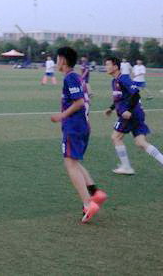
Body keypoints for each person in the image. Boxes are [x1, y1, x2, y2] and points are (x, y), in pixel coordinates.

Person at [50, 46, 106, 224]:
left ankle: (88, 203)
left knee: (70, 164)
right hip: (82, 126)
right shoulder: (77, 77)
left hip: (74, 127)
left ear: (63, 60)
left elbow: (79, 102)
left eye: (57, 58)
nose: (56, 62)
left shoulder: (70, 78)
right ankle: (95, 192)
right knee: (74, 162)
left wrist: (61, 115)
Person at [103, 56, 163, 178]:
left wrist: (128, 110)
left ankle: (126, 167)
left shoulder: (123, 79)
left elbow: (136, 94)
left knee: (116, 137)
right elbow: (121, 98)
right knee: (140, 142)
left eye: (108, 64)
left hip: (130, 115)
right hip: (136, 114)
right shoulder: (114, 81)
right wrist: (111, 108)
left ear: (115, 66)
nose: (106, 67)